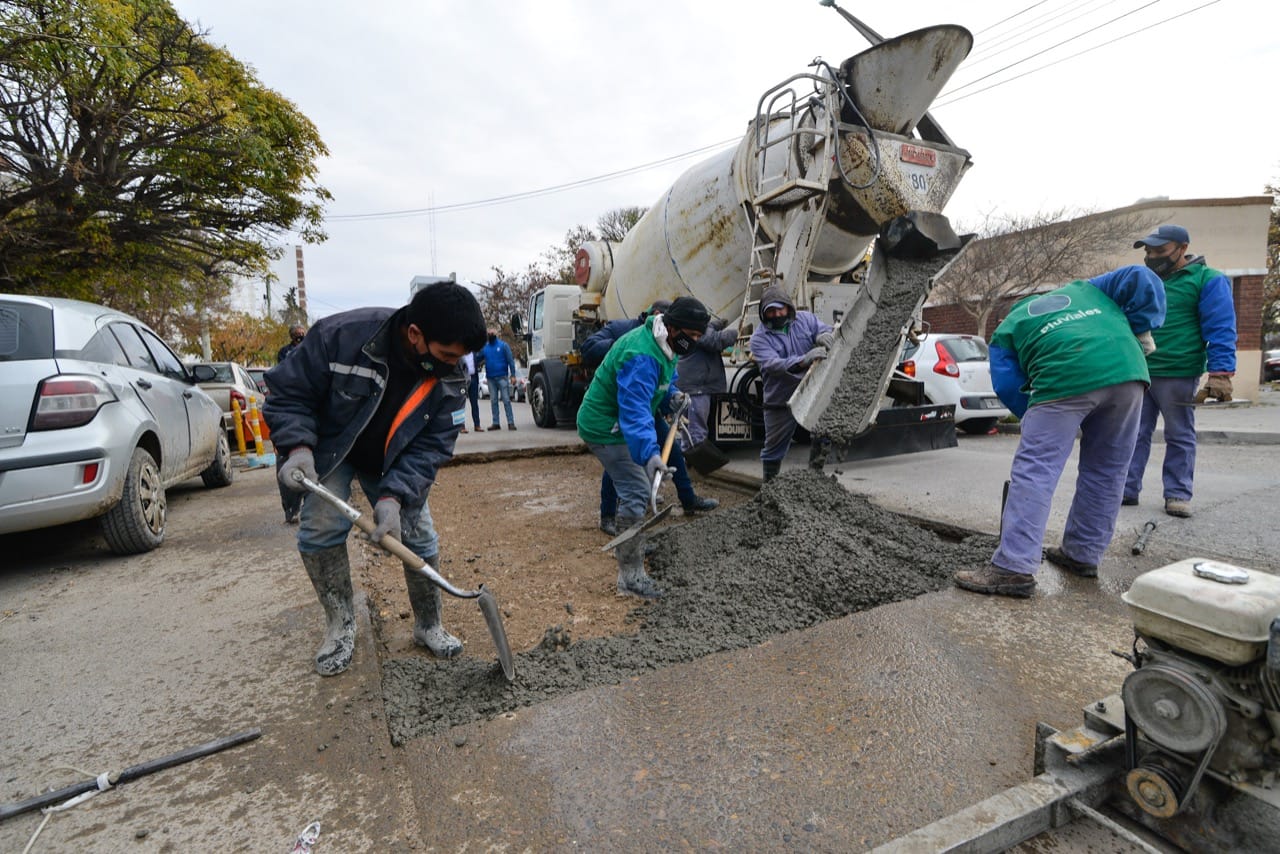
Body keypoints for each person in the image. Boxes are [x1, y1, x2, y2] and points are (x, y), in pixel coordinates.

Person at [264, 282, 487, 675]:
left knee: (418, 536)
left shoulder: (452, 378)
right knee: (319, 530)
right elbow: (288, 394)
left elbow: (432, 447)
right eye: (447, 355)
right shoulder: (340, 337)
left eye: (460, 357)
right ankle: (340, 626)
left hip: (394, 457)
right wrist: (297, 447)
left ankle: (429, 624)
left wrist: (393, 498)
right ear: (415, 333)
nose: (455, 364)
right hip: (332, 448)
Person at [954, 265, 1166, 598]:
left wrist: (1035, 416)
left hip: (1064, 371)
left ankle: (1013, 568)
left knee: (1036, 468)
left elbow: (1008, 386)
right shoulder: (1085, 289)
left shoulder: (1007, 328)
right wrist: (1140, 327)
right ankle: (1082, 554)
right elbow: (1140, 275)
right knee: (1108, 470)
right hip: (1128, 371)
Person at [577, 296, 709, 598]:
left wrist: (672, 396)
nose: (695, 342)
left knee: (638, 486)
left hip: (621, 421)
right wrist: (649, 454)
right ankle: (630, 577)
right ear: (673, 328)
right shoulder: (641, 354)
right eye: (691, 335)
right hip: (604, 426)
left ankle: (632, 542)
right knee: (636, 489)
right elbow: (635, 411)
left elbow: (662, 381)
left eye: (699, 336)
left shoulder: (665, 344)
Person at [1123, 224, 1237, 518]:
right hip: (1139, 370)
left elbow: (1221, 328)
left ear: (1182, 248)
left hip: (1179, 371)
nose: (1152, 257)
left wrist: (1221, 373)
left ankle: (1177, 493)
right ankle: (1126, 488)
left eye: (1160, 250)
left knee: (1179, 434)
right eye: (1149, 251)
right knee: (1133, 433)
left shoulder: (1208, 280)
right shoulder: (1145, 280)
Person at [748, 286, 834, 482]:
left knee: (824, 432)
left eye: (780, 309)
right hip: (780, 398)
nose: (777, 314)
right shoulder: (759, 339)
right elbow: (773, 365)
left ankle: (815, 480)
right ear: (763, 313)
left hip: (812, 392)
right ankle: (770, 487)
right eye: (771, 311)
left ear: (788, 307)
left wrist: (823, 335)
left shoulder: (805, 319)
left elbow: (823, 329)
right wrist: (803, 360)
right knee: (773, 447)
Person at [677, 317, 739, 451]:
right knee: (696, 431)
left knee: (688, 429)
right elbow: (715, 340)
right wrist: (736, 332)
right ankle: (697, 458)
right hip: (697, 387)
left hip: (691, 385)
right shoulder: (697, 332)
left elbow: (709, 330)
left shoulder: (688, 326)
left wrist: (718, 323)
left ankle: (687, 455)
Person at [274, 322, 309, 522]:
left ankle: (309, 508)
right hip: (289, 408)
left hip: (309, 407)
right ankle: (291, 509)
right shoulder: (284, 353)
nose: (300, 336)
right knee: (287, 461)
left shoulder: (313, 349)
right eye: (296, 334)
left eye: (302, 333)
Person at [480, 328, 518, 431]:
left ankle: (510, 422)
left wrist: (513, 375)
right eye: (488, 332)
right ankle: (496, 423)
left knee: (506, 400)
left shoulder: (503, 346)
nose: (490, 334)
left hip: (502, 377)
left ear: (496, 333)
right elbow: (477, 358)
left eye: (492, 332)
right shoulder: (485, 348)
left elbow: (510, 361)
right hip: (490, 378)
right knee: (493, 401)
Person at [459, 351, 482, 433]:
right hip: (463, 379)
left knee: (474, 403)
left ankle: (477, 425)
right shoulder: (460, 353)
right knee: (461, 403)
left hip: (473, 378)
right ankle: (461, 426)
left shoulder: (475, 353)